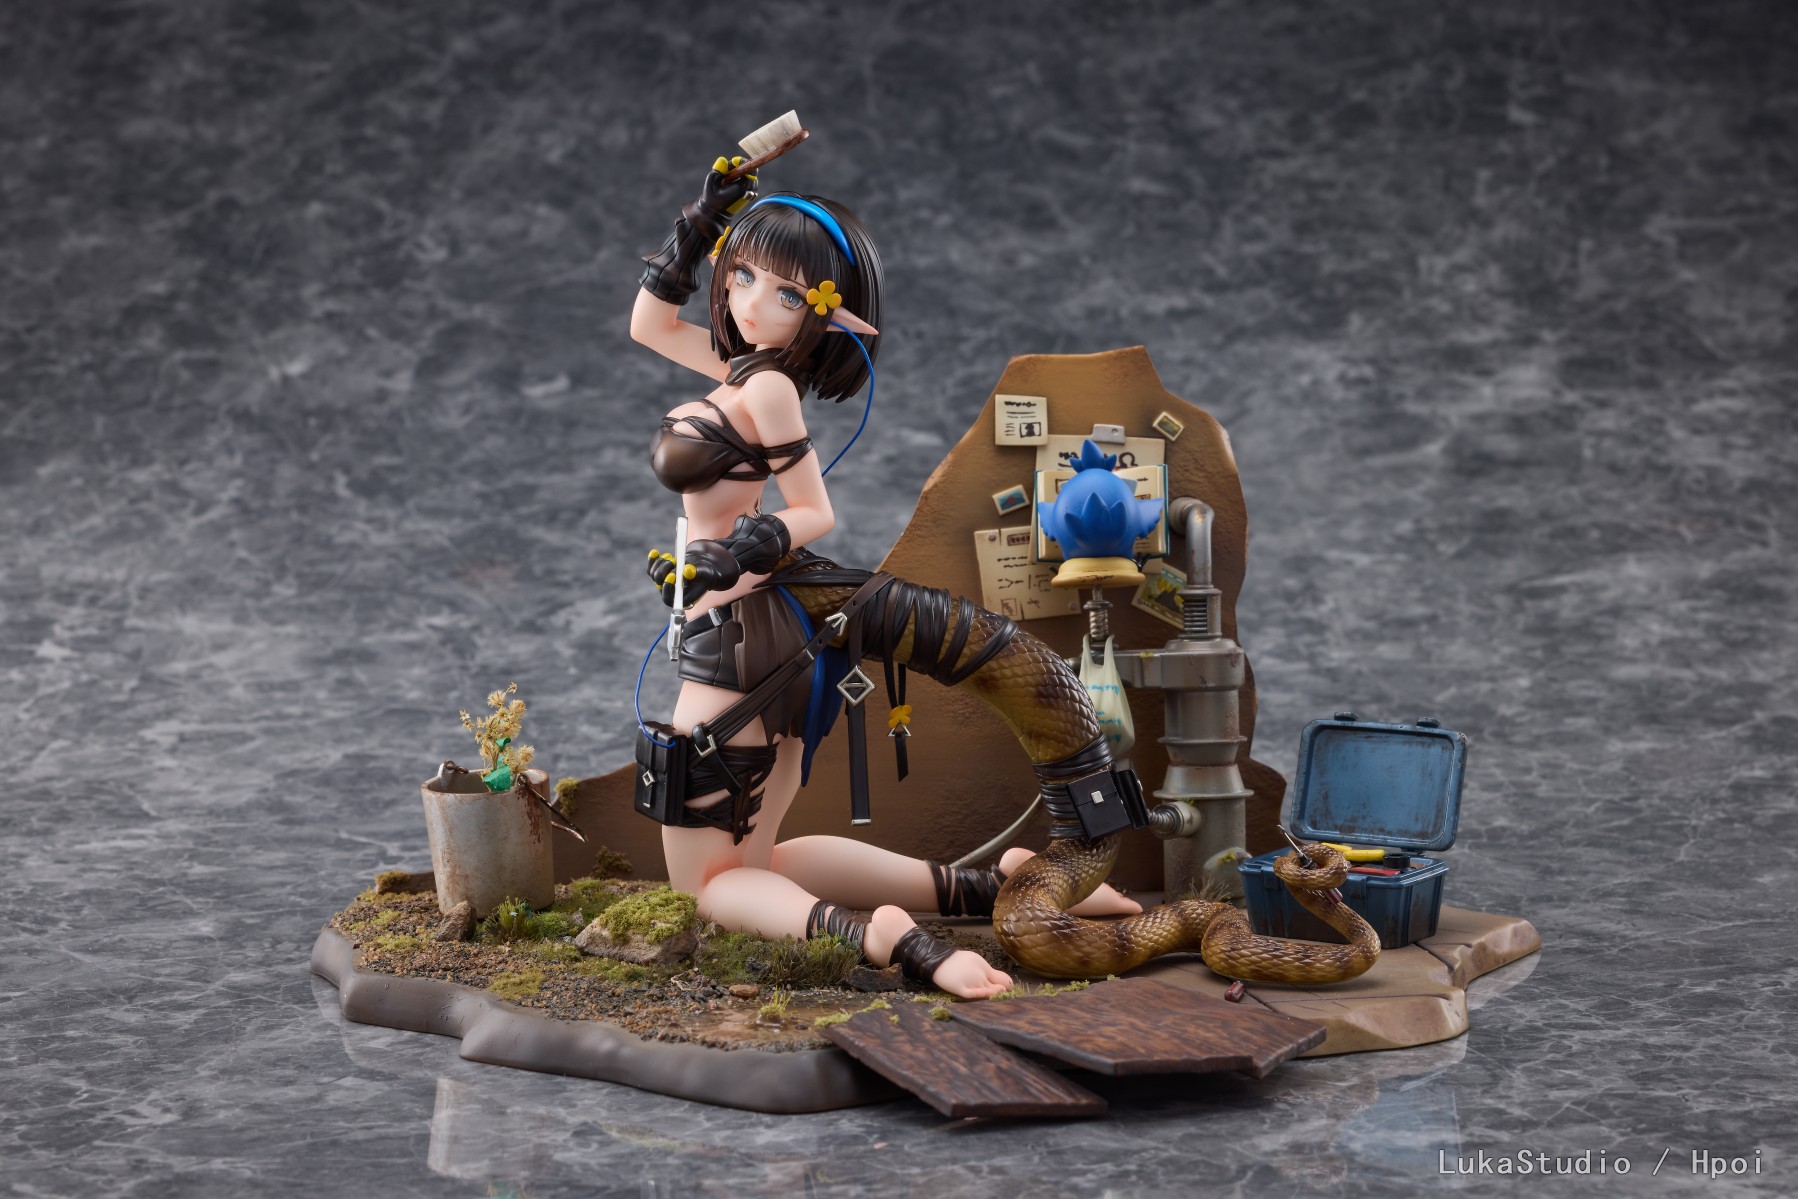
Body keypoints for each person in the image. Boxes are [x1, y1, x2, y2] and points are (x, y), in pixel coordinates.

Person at [629, 159, 1137, 999]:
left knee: (708, 889)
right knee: (761, 860)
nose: (751, 303)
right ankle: (996, 884)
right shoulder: (740, 370)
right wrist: (699, 221)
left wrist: (737, 552)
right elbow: (649, 323)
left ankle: (887, 938)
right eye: (742, 275)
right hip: (756, 635)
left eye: (786, 295)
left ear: (824, 315)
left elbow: (813, 510)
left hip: (738, 647)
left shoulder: (770, 390)